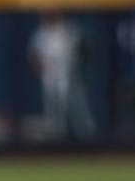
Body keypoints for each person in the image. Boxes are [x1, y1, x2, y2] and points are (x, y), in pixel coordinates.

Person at [28, 10, 97, 141]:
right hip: (50, 77)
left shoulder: (70, 30)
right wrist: (41, 71)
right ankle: (56, 141)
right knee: (53, 113)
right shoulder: (41, 33)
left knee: (78, 109)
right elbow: (34, 56)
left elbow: (80, 49)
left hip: (68, 77)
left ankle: (89, 140)